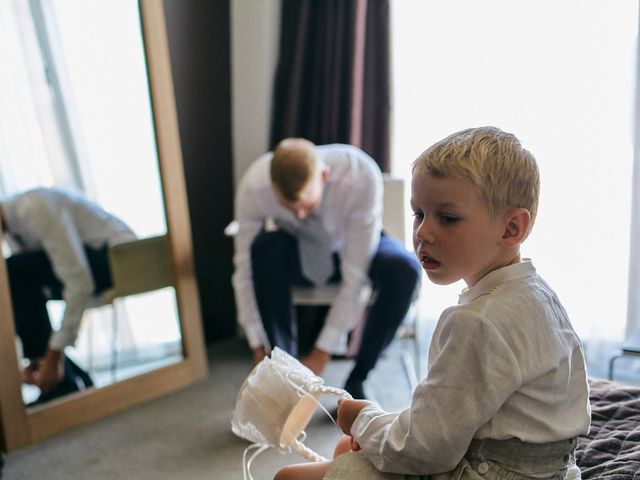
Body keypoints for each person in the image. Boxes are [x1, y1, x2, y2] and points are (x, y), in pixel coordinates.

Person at [273, 127, 592, 480]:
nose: (423, 232)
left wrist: (363, 417)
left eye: (447, 218)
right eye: (419, 214)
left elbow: (425, 451)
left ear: (511, 228)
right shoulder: (540, 294)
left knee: (289, 476)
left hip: (494, 472)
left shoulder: (476, 322)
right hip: (553, 471)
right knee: (344, 449)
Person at [232, 138, 421, 398]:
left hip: (353, 244)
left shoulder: (359, 175)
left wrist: (321, 353)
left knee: (405, 270)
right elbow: (243, 270)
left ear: (324, 175)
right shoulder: (255, 185)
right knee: (263, 248)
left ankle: (359, 377)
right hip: (297, 249)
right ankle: (281, 369)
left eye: (305, 204)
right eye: (289, 207)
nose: (299, 215)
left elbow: (356, 276)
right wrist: (255, 341)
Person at [0, 187, 136, 405]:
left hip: (118, 259)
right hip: (93, 263)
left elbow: (80, 283)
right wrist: (40, 355)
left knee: (13, 273)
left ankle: (59, 376)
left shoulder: (35, 209)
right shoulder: (14, 230)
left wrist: (54, 355)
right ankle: (53, 373)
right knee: (14, 283)